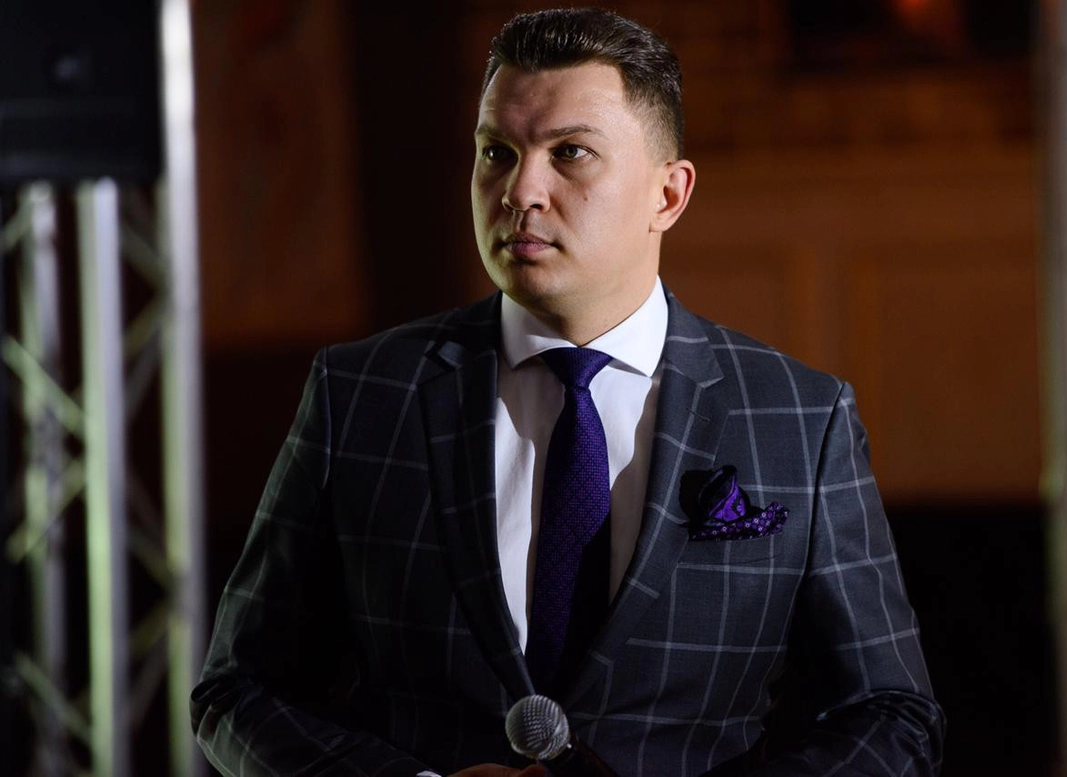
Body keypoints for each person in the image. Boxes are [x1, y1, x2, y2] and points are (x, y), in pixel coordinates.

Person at [191, 8, 945, 777]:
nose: (521, 189)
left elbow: (890, 714)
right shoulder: (363, 394)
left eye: (570, 153)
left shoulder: (800, 417)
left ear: (668, 195)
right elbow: (237, 690)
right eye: (497, 152)